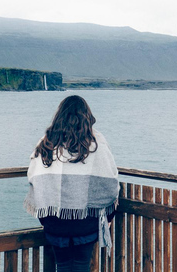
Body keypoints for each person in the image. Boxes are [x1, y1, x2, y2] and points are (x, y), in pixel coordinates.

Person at [24, 95, 120, 272]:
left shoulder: (46, 142)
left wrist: (45, 217)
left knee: (63, 265)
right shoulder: (96, 143)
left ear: (59, 115)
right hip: (86, 222)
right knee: (82, 265)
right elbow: (110, 184)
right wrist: (107, 217)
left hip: (54, 222)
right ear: (87, 116)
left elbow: (35, 179)